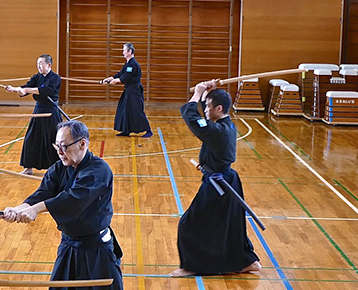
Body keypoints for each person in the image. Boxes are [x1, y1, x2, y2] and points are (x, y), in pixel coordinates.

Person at [0, 120, 147, 290]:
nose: (59, 152)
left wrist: (35, 210)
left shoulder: (99, 170)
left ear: (82, 144)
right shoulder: (60, 168)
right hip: (70, 247)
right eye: (57, 146)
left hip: (97, 250)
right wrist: (19, 208)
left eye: (64, 146)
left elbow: (74, 199)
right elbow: (43, 192)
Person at [170, 80, 261, 277]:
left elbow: (193, 118)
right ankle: (247, 261)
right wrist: (205, 95)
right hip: (227, 181)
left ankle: (193, 266)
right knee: (230, 225)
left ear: (218, 108)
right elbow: (203, 118)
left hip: (218, 185)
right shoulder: (225, 125)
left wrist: (198, 93)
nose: (206, 109)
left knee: (189, 224)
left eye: (209, 106)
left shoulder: (217, 131)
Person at [5, 54, 61, 175]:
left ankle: (57, 168)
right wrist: (15, 89)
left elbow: (46, 90)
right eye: (37, 64)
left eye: (41, 63)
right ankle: (29, 167)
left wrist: (27, 90)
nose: (39, 66)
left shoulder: (55, 78)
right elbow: (27, 86)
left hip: (51, 112)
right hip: (39, 110)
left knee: (53, 139)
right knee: (31, 138)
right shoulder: (37, 77)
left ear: (49, 65)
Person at [102, 43, 152, 138]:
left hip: (134, 91)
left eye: (124, 50)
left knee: (137, 110)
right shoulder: (128, 63)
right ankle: (126, 130)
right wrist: (109, 78)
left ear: (130, 51)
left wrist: (116, 80)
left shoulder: (133, 64)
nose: (123, 52)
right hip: (129, 90)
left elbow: (126, 77)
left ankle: (148, 130)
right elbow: (121, 73)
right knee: (125, 109)